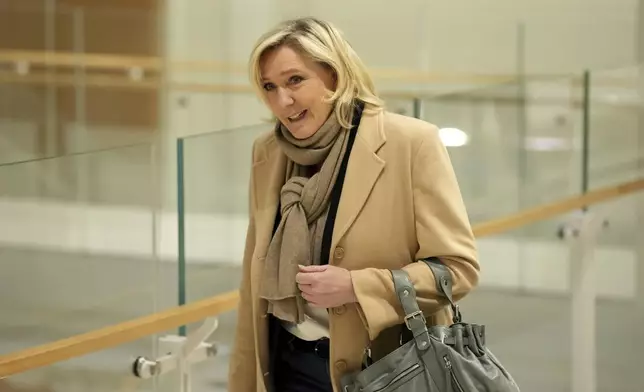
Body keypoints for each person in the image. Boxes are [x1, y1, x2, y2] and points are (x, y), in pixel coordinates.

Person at [227, 17, 480, 392]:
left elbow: (457, 270)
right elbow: (252, 288)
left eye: (295, 80)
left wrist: (356, 286)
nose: (283, 101)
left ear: (335, 74)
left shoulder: (410, 143)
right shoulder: (268, 153)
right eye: (269, 87)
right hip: (286, 366)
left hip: (385, 372)